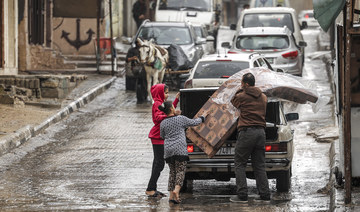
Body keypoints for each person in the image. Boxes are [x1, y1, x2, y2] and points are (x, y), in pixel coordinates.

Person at [230, 73, 271, 203]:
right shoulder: (263, 97)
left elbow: (233, 101)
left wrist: (240, 89)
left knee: (240, 163)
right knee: (259, 165)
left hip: (247, 132)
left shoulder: (242, 96)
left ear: (246, 84)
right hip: (261, 133)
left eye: (242, 83)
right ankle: (265, 194)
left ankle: (242, 195)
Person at [159, 101, 206, 204]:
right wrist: (203, 117)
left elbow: (162, 136)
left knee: (172, 172)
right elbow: (194, 122)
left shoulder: (163, 123)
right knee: (180, 171)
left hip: (168, 151)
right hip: (179, 149)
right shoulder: (181, 119)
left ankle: (171, 196)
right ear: (171, 109)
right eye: (173, 106)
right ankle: (176, 191)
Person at [146, 84, 180, 197]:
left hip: (159, 136)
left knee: (158, 163)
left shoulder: (160, 103)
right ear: (160, 93)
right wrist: (169, 116)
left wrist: (176, 100)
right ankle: (150, 189)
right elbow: (156, 119)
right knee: (159, 163)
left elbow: (169, 110)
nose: (167, 94)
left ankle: (152, 188)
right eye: (165, 92)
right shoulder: (156, 103)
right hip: (157, 137)